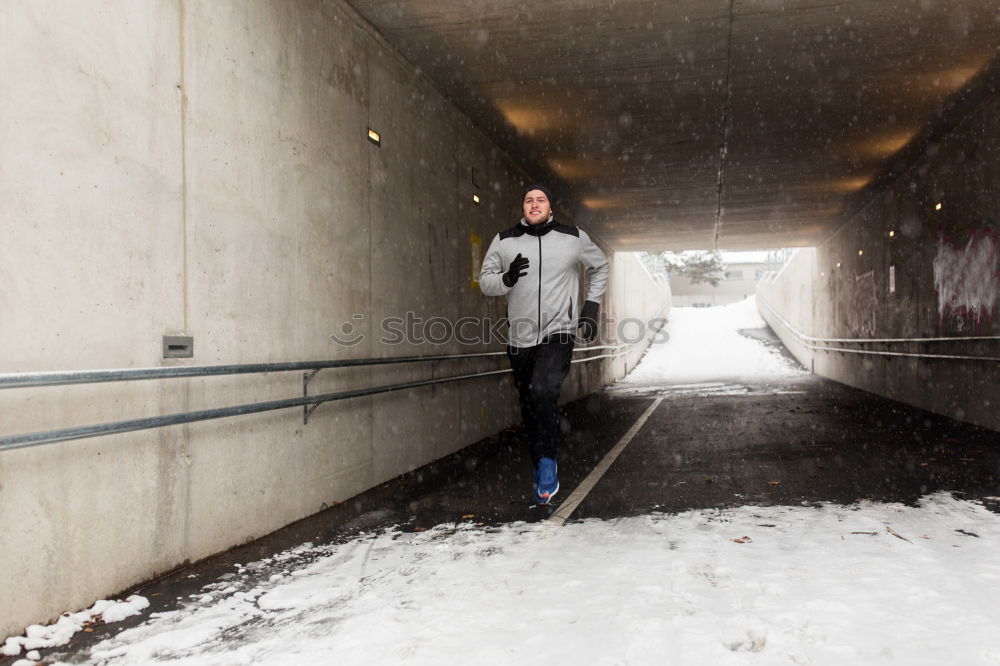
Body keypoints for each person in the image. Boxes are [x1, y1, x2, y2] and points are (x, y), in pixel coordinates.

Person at [479, 184, 609, 504]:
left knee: (544, 390)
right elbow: (485, 281)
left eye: (541, 200)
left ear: (550, 207)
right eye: (528, 200)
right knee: (530, 404)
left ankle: (549, 463)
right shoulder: (505, 240)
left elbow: (601, 265)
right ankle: (539, 464)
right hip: (520, 337)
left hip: (558, 331)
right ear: (522, 207)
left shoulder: (572, 238)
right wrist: (506, 279)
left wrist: (590, 306)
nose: (534, 204)